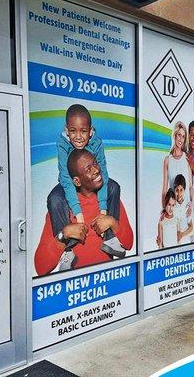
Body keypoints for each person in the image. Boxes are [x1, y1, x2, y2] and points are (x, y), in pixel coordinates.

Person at [48, 104, 124, 270]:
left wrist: (103, 212)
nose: (78, 137)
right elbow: (67, 180)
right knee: (54, 198)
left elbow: (102, 173)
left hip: (91, 182)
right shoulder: (62, 144)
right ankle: (67, 250)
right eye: (73, 131)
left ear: (90, 131)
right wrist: (79, 216)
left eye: (83, 131)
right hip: (69, 183)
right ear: (67, 130)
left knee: (114, 186)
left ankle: (109, 238)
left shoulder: (96, 143)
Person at [35, 149, 133, 275]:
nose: (96, 170)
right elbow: (40, 268)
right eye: (88, 170)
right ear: (77, 181)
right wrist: (63, 236)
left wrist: (113, 223)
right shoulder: (60, 208)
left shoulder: (110, 200)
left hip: (106, 283)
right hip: (76, 288)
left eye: (95, 163)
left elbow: (129, 244)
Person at [161, 121, 193, 215]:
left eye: (183, 136)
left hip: (186, 210)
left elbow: (190, 187)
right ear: (174, 135)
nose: (181, 139)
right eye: (179, 135)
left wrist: (191, 204)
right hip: (173, 211)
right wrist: (164, 211)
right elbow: (164, 190)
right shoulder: (167, 160)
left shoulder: (187, 158)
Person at [172, 174, 193, 245]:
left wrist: (182, 234)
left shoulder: (187, 206)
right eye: (177, 190)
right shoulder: (172, 205)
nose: (179, 193)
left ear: (184, 190)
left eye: (181, 190)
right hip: (173, 240)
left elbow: (191, 227)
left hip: (185, 240)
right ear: (174, 190)